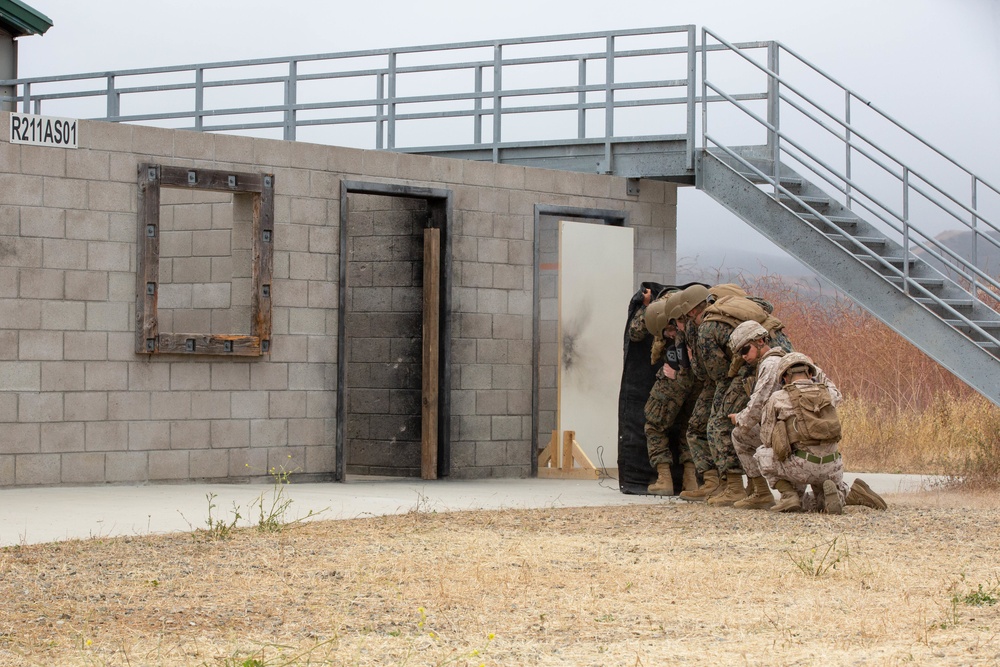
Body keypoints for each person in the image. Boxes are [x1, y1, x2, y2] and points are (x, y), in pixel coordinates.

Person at [756, 353, 888, 513]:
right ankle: (847, 495)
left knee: (761, 453)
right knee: (819, 503)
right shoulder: (829, 394)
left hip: (801, 466)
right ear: (811, 373)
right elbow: (834, 389)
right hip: (832, 466)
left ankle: (788, 495)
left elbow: (766, 437)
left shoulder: (778, 398)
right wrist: (816, 367)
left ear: (784, 377)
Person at [627, 290, 700, 495]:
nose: (671, 334)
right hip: (697, 379)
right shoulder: (689, 310)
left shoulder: (671, 315)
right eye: (667, 331)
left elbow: (635, 331)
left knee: (654, 424)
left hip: (675, 376)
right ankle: (690, 480)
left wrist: (644, 307)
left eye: (671, 329)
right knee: (690, 426)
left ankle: (664, 479)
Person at [727, 321, 787, 509]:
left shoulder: (770, 364)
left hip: (784, 432)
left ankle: (761, 492)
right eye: (740, 353)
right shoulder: (785, 358)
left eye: (746, 349)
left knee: (739, 435)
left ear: (760, 341)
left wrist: (740, 419)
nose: (744, 357)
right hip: (794, 429)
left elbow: (758, 403)